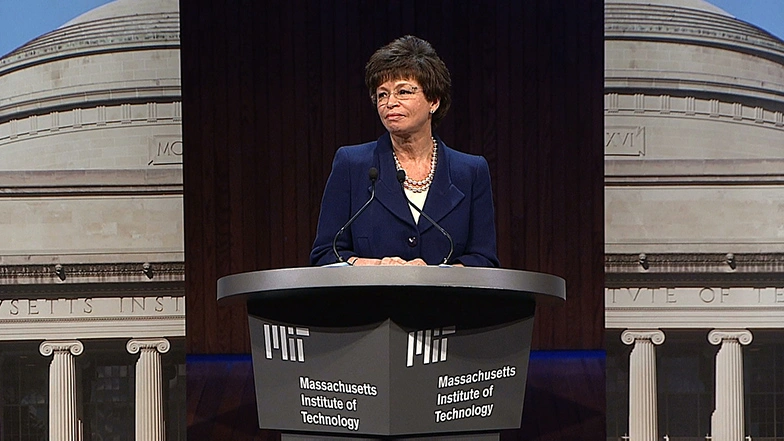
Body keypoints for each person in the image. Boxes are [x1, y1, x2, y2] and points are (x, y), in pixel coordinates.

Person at [310, 35, 499, 267]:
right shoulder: (352, 165)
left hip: (445, 303)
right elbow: (326, 254)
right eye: (382, 94)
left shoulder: (470, 172)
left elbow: (483, 259)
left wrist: (437, 275)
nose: (390, 102)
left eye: (403, 92)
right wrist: (376, 267)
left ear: (434, 101)